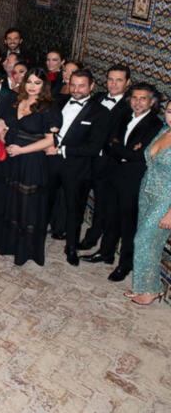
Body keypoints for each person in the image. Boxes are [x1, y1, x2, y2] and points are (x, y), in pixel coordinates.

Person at [0, 69, 61, 266]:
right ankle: (6, 243)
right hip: (10, 159)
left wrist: (22, 150)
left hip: (31, 161)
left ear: (44, 85)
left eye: (37, 83)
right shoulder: (16, 100)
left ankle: (24, 250)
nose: (32, 86)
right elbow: (3, 121)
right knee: (8, 201)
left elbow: (49, 141)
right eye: (29, 82)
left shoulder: (49, 108)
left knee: (26, 206)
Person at [94, 83, 163, 282]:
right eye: (134, 97)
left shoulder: (155, 125)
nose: (137, 102)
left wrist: (118, 147)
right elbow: (109, 142)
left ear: (152, 101)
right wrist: (122, 148)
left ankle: (125, 264)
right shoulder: (123, 115)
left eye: (143, 98)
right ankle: (105, 252)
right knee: (110, 215)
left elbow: (139, 156)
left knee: (128, 223)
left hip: (133, 179)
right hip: (113, 172)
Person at [43, 69, 108, 263]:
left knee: (74, 210)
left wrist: (61, 150)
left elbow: (94, 147)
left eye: (81, 85)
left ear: (91, 86)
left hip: (77, 168)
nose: (76, 89)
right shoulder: (59, 101)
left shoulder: (100, 112)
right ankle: (35, 239)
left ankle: (71, 248)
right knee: (43, 202)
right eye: (73, 85)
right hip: (51, 163)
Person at [79, 64, 133, 252]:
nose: (113, 84)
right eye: (110, 79)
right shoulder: (98, 98)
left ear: (127, 82)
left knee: (103, 203)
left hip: (107, 162)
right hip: (85, 158)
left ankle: (93, 238)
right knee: (79, 195)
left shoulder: (130, 106)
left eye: (119, 80)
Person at [126, 99, 171, 305]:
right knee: (150, 242)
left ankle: (149, 290)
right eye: (169, 111)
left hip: (166, 199)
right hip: (146, 191)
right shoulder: (163, 131)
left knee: (144, 240)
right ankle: (148, 287)